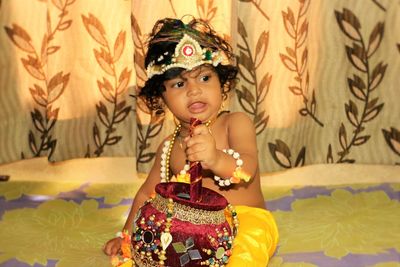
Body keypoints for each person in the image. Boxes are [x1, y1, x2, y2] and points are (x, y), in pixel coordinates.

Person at [103, 17, 278, 266]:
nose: (194, 90)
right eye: (179, 84)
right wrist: (128, 236)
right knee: (154, 254)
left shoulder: (235, 123)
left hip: (247, 222)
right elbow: (145, 194)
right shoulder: (169, 147)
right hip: (194, 231)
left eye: (205, 78)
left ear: (222, 84)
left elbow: (247, 169)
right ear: (162, 96)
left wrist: (216, 158)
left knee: (244, 256)